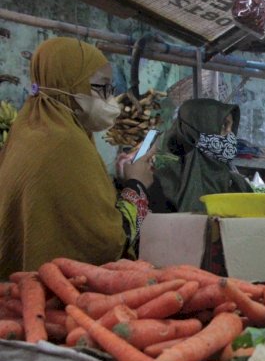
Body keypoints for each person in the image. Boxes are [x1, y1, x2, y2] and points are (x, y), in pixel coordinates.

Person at [0, 37, 155, 275]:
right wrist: (137, 185)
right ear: (70, 85)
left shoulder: (26, 132)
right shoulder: (63, 144)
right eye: (101, 87)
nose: (110, 98)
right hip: (56, 294)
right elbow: (108, 242)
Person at [149, 98, 251, 213]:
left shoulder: (238, 185)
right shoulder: (163, 184)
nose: (230, 135)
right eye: (223, 126)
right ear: (194, 131)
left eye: (231, 127)